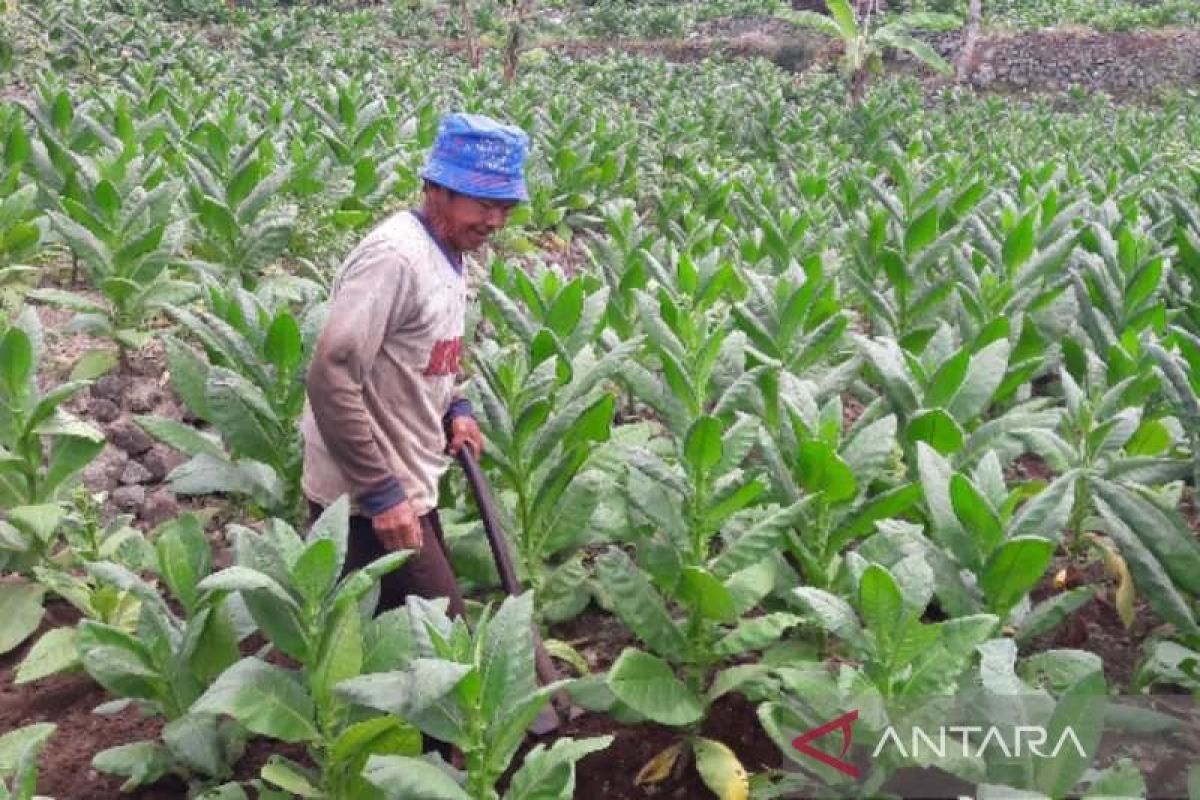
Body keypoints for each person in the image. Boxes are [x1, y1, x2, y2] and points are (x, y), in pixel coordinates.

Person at [301, 112, 529, 618]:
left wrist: (458, 406)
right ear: (436, 189)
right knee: (432, 634)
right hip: (361, 500)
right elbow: (330, 374)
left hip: (405, 483)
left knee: (398, 637)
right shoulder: (395, 259)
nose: (495, 222)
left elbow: (428, 352)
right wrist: (381, 494)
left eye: (506, 208)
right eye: (485, 204)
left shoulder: (449, 248)